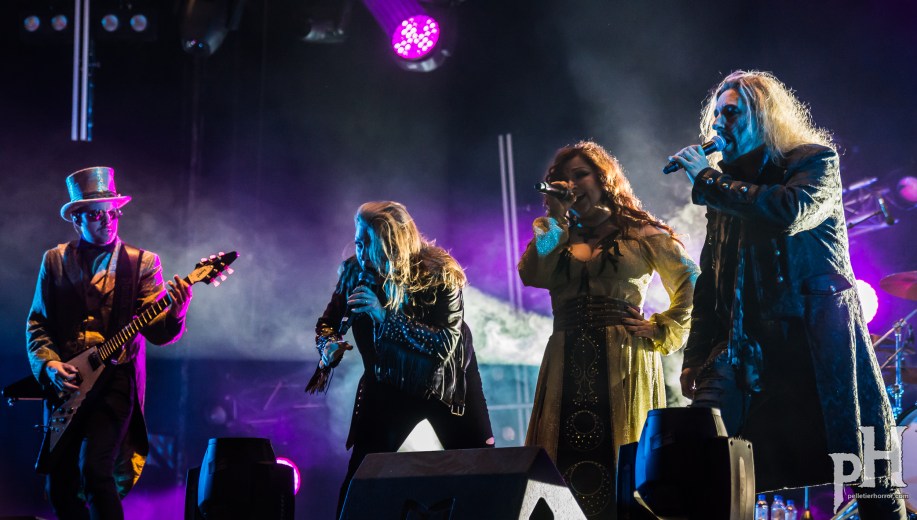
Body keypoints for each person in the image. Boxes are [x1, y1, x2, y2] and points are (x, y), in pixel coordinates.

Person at [670, 70, 905, 517]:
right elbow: (712, 280)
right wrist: (695, 355)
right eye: (716, 114)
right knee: (704, 454)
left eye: (731, 113)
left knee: (868, 472)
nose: (718, 123)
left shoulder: (814, 162)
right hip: (743, 347)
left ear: (763, 115)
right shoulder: (724, 188)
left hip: (814, 344)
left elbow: (789, 212)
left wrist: (710, 181)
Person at [519, 141, 698, 518]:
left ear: (604, 178)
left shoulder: (640, 231)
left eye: (580, 174)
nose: (570, 184)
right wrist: (555, 218)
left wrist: (662, 326)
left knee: (621, 463)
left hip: (624, 356)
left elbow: (692, 279)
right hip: (565, 356)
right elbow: (534, 273)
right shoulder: (556, 234)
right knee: (562, 460)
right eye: (562, 178)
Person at [305, 201, 494, 517]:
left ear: (393, 244)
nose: (361, 252)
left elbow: (444, 344)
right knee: (360, 479)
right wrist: (329, 347)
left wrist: (384, 317)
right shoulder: (354, 272)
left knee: (482, 472)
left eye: (369, 244)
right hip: (387, 386)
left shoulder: (440, 273)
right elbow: (328, 323)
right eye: (358, 242)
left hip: (444, 388)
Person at [25, 166, 193, 519]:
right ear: (77, 220)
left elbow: (158, 332)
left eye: (113, 212)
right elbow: (38, 323)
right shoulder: (54, 260)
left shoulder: (143, 263)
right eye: (97, 214)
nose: (108, 220)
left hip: (116, 381)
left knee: (96, 472)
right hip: (67, 383)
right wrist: (49, 365)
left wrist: (177, 311)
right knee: (59, 485)